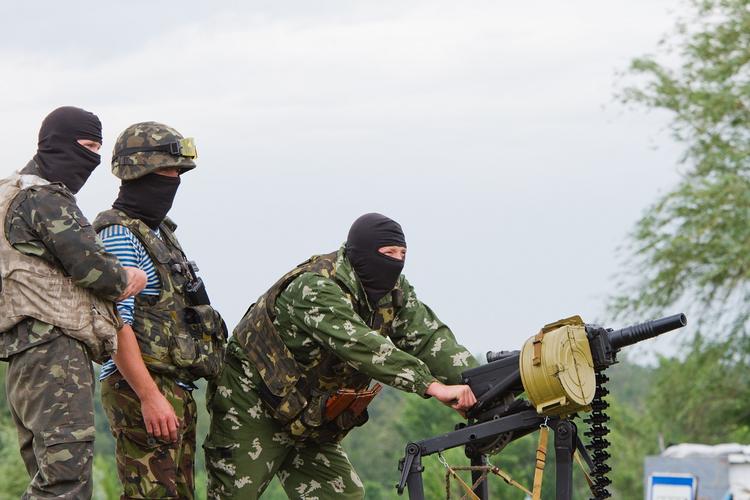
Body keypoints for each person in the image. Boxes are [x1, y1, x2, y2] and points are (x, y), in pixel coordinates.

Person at [205, 212, 479, 499]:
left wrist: (477, 384)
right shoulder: (315, 286)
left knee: (343, 494)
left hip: (306, 411)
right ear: (360, 253)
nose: (396, 261)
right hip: (252, 402)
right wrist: (431, 386)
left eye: (403, 253)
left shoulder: (394, 291)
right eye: (388, 252)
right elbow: (361, 346)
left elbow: (428, 338)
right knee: (234, 494)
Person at [0, 106, 147, 499]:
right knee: (66, 478)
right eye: (86, 146)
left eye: (98, 148)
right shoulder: (45, 198)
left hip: (22, 353)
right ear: (55, 143)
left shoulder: (7, 193)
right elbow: (96, 271)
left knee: (47, 473)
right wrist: (129, 278)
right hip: (55, 350)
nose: (93, 158)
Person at [93, 121, 227, 500]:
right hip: (142, 387)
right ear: (138, 173)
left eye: (177, 172)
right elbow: (117, 324)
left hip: (172, 386)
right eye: (166, 171)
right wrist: (149, 395)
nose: (174, 180)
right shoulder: (119, 235)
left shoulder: (157, 232)